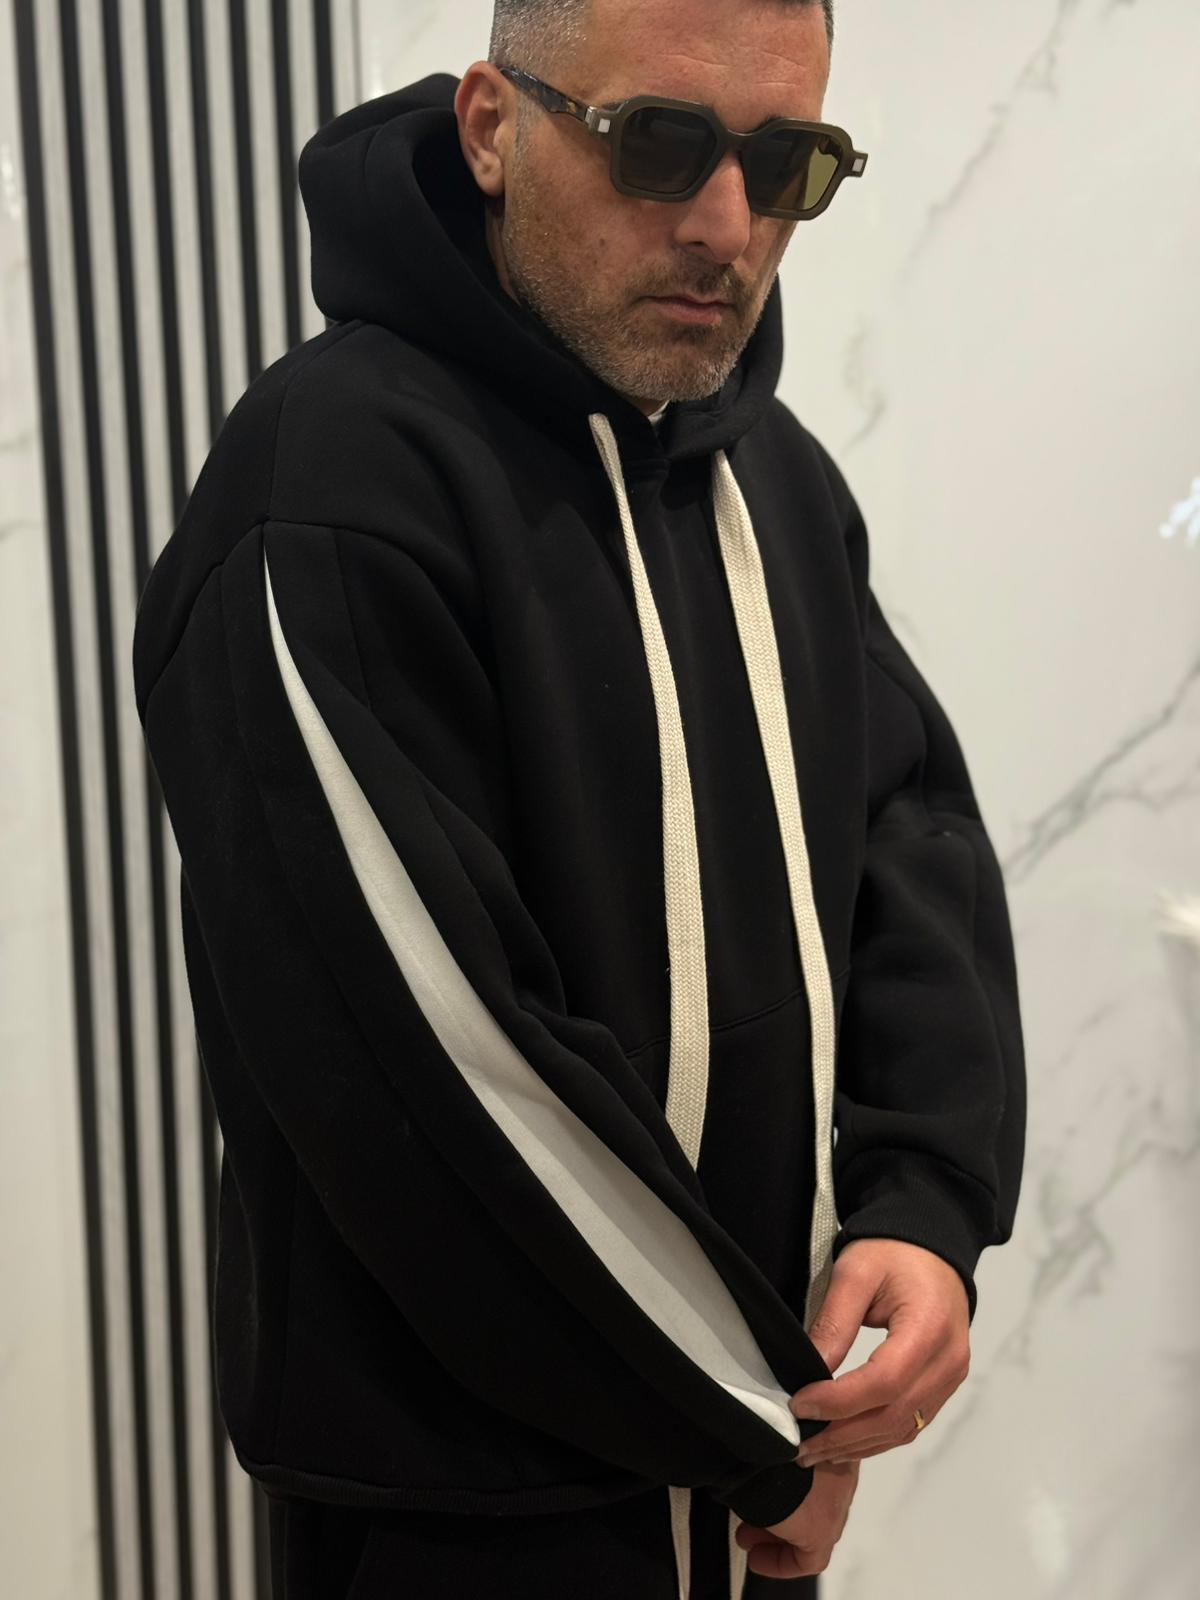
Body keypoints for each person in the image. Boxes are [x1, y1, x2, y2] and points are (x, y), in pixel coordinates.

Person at [131, 0, 1027, 1594]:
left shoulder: (770, 477)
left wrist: (924, 1203)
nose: (727, 225)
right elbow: (432, 1072)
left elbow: (909, 838)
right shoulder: (325, 491)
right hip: (470, 1517)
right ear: (494, 127)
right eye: (659, 143)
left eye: (786, 163)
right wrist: (766, 1425)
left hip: (750, 1478)